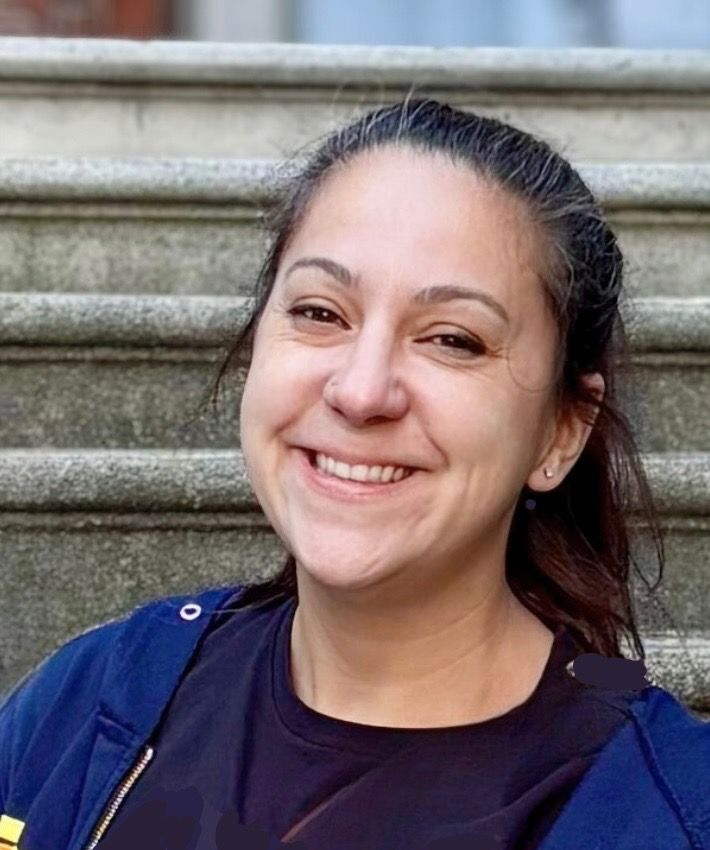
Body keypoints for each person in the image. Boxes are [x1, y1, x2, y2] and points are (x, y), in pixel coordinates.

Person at [0, 98, 708, 850]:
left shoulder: (661, 810)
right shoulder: (94, 698)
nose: (362, 391)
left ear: (562, 430)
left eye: (452, 339)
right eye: (320, 313)